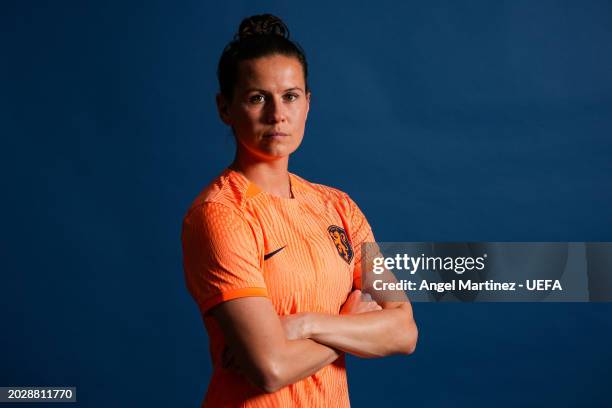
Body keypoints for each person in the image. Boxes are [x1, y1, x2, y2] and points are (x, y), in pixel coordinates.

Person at [181, 14, 418, 407]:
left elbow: (405, 331)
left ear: (308, 103)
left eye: (290, 96)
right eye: (258, 97)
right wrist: (353, 325)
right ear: (225, 107)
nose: (278, 114)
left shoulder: (339, 207)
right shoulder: (220, 215)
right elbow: (270, 367)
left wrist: (308, 325)